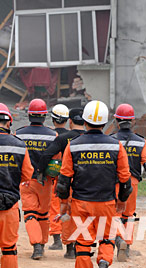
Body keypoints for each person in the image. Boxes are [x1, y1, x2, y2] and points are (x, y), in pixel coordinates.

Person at [56, 100, 132, 268]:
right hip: (106, 202)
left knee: (83, 243)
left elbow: (64, 180)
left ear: (84, 121)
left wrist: (63, 203)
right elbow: (125, 178)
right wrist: (122, 199)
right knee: (106, 237)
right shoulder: (116, 146)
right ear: (105, 123)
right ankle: (104, 260)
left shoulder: (73, 146)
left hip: (80, 202)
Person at [0, 103, 33, 268]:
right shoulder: (19, 145)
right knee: (9, 248)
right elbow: (27, 174)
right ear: (9, 123)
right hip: (9, 205)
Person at [111, 103, 146, 261]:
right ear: (132, 121)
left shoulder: (111, 140)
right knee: (128, 215)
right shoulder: (140, 141)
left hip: (115, 182)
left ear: (117, 121)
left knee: (115, 214)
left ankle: (118, 239)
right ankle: (127, 246)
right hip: (132, 183)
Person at [37, 107, 85, 258]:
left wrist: (40, 172)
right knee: (83, 214)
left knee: (65, 213)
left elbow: (46, 155)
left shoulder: (63, 139)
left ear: (70, 121)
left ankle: (70, 248)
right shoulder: (91, 138)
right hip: (88, 182)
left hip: (67, 181)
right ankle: (83, 245)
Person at [16, 98, 57, 260]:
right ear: (45, 116)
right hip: (46, 181)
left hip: (26, 180)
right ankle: (42, 243)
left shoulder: (19, 134)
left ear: (29, 115)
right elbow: (57, 161)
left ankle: (37, 246)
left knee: (30, 214)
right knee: (44, 214)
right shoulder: (53, 135)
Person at [47, 103, 69, 251]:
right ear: (67, 120)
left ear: (53, 119)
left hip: (55, 177)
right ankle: (70, 243)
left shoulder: (50, 136)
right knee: (68, 207)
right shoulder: (71, 137)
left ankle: (57, 240)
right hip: (70, 177)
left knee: (55, 207)